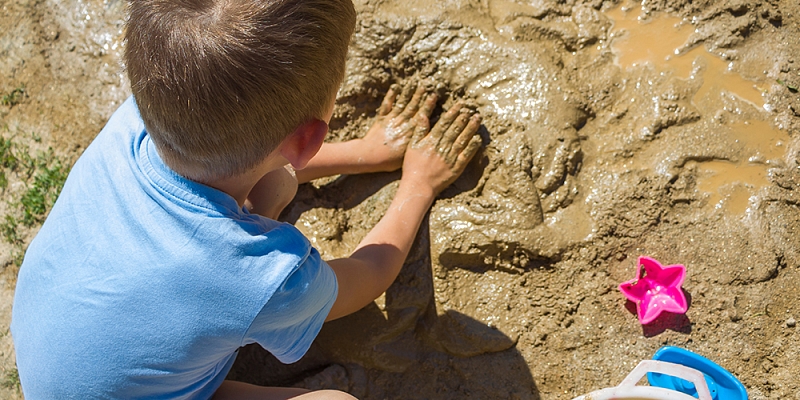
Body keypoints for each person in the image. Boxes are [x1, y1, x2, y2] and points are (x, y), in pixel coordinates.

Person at [10, 0, 482, 398]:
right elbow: (368, 277)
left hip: (63, 354)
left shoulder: (137, 118)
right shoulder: (261, 275)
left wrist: (364, 154)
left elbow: (245, 159)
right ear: (307, 139)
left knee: (273, 185)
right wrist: (419, 184)